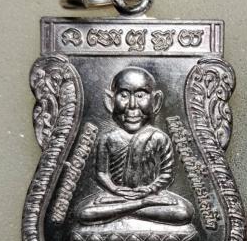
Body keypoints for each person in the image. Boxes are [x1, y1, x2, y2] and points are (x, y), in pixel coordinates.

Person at [76, 67, 194, 225]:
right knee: (84, 213)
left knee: (183, 213)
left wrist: (149, 190)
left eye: (140, 95)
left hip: (149, 195)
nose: (132, 105)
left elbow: (166, 174)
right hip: (116, 197)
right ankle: (140, 206)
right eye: (124, 95)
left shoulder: (159, 137)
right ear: (110, 101)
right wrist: (115, 189)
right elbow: (101, 173)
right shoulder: (108, 138)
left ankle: (125, 210)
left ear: (156, 101)